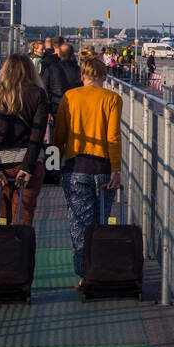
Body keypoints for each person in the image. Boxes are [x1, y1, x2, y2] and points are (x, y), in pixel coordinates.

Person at [52, 57, 122, 288]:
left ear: (82, 76)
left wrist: (55, 163)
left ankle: (84, 273)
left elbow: (60, 134)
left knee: (80, 222)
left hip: (76, 167)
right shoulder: (112, 99)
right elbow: (113, 137)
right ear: (104, 76)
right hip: (103, 167)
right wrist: (116, 169)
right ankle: (101, 268)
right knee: (101, 222)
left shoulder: (70, 97)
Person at [0, 54, 50, 226]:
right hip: (26, 164)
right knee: (23, 219)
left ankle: (2, 251)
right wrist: (27, 167)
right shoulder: (38, 94)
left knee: (0, 218)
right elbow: (37, 136)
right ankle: (22, 252)